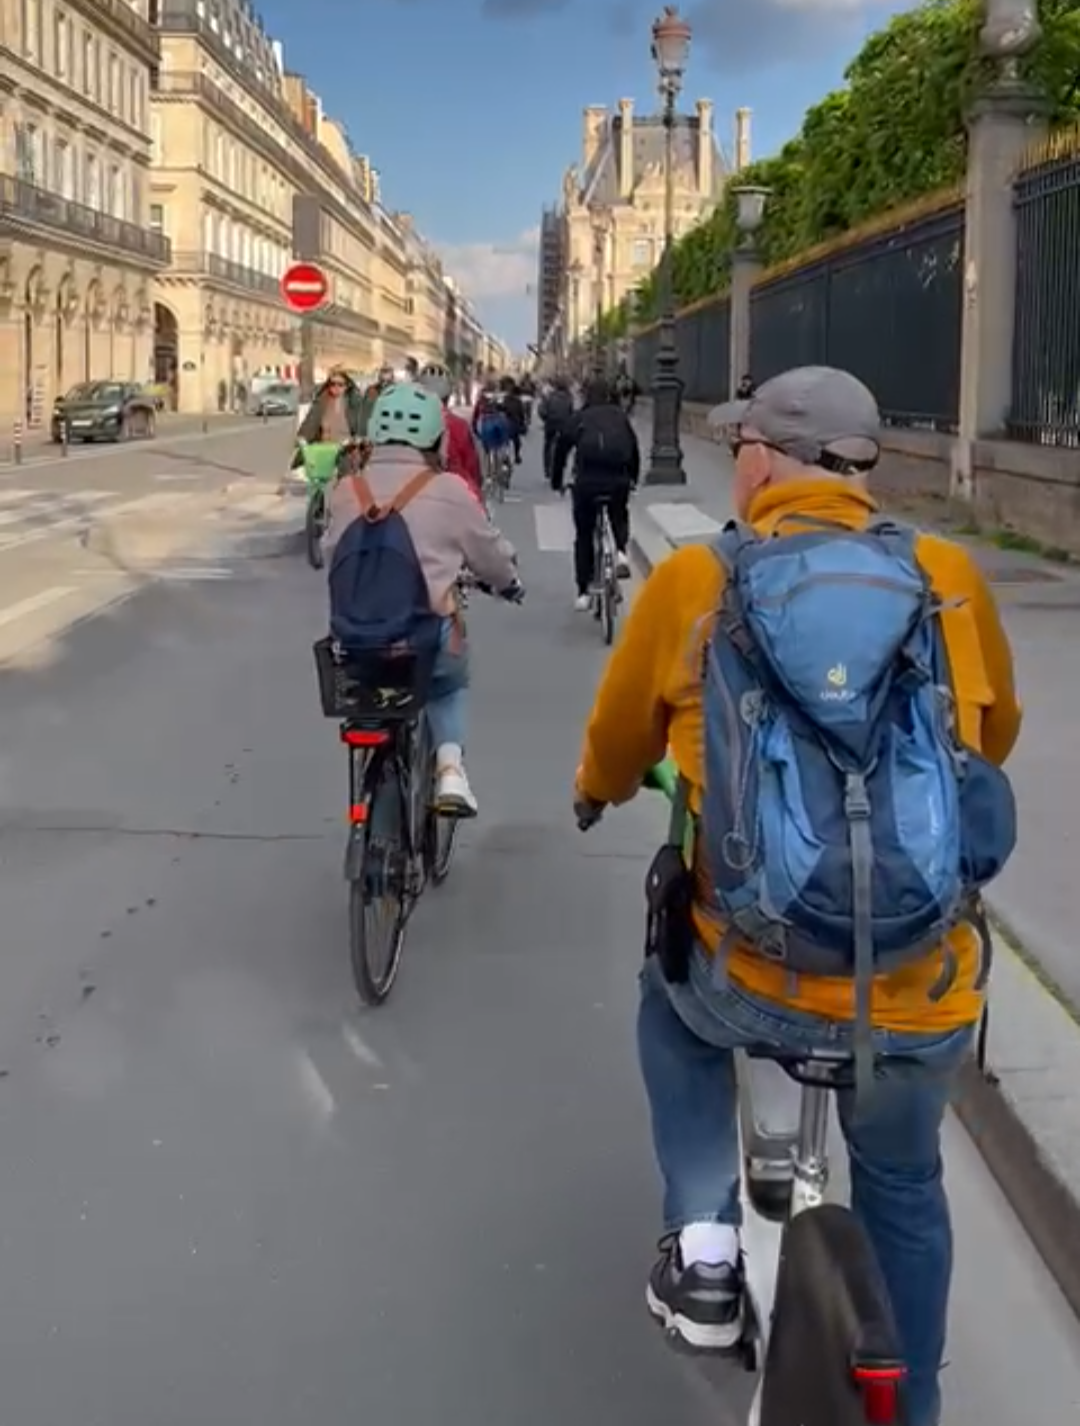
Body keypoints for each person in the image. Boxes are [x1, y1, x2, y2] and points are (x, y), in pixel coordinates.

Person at [572, 366, 1022, 1426]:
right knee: (905, 1183)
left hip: (751, 971)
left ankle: (707, 1242)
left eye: (742, 448)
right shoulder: (947, 575)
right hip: (911, 986)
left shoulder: (698, 581)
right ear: (864, 468)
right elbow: (991, 738)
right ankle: (911, 1405)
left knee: (669, 1005)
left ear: (767, 459)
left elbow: (620, 736)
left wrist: (597, 793)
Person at [322, 383, 521, 816]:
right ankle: (450, 770)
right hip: (423, 639)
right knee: (448, 683)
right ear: (437, 438)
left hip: (354, 639)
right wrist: (508, 581)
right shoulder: (449, 488)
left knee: (374, 692)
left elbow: (328, 552)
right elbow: (489, 555)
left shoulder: (346, 489)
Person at [551, 376, 637, 608]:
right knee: (618, 512)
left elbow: (561, 450)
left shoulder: (579, 418)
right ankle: (619, 551)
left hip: (587, 483)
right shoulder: (619, 416)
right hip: (618, 479)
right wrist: (633, 478)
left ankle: (584, 592)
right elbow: (634, 448)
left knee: (584, 534)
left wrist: (556, 480)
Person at [418, 361, 483, 502]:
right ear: (448, 395)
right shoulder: (458, 426)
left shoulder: (404, 423)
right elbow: (472, 471)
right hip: (453, 498)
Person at [297, 366, 367, 443]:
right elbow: (311, 422)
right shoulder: (321, 401)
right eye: (333, 384)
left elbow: (361, 425)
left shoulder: (354, 402)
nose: (336, 387)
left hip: (346, 447)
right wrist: (302, 437)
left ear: (346, 386)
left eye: (340, 384)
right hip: (325, 447)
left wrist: (359, 439)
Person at [539, 375, 575, 487]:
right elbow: (571, 412)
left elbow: (542, 410)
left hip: (551, 424)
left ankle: (547, 469)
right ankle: (562, 464)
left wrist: (546, 418)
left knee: (547, 445)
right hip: (564, 426)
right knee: (564, 447)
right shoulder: (569, 398)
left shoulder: (550, 397)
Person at [499, 376, 527, 465]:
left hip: (512, 422)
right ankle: (510, 456)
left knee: (514, 441)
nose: (508, 388)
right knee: (511, 440)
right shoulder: (504, 398)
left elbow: (521, 413)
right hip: (508, 422)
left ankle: (515, 455)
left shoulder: (515, 399)